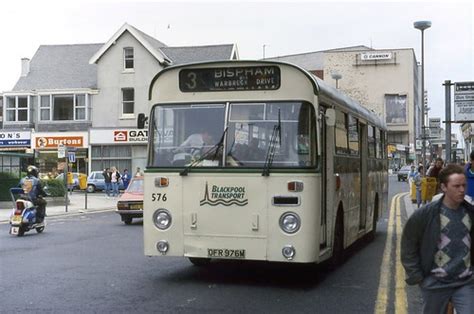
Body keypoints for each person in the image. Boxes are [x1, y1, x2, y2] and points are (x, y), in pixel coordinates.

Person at [401, 164, 474, 314]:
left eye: (463, 185)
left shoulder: (470, 212)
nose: (462, 190)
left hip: (465, 282)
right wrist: (419, 277)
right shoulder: (426, 214)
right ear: (444, 187)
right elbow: (408, 245)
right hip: (435, 283)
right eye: (456, 186)